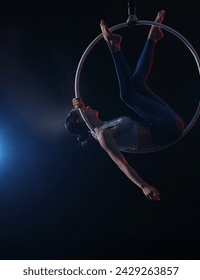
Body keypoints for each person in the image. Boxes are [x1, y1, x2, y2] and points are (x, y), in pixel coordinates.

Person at [65, 10, 185, 201]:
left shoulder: (106, 125)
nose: (85, 106)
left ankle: (151, 38)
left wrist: (77, 104)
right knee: (127, 95)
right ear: (80, 118)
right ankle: (114, 47)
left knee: (136, 85)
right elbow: (122, 165)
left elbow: (82, 107)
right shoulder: (104, 136)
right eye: (80, 110)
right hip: (167, 129)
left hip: (162, 121)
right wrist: (143, 186)